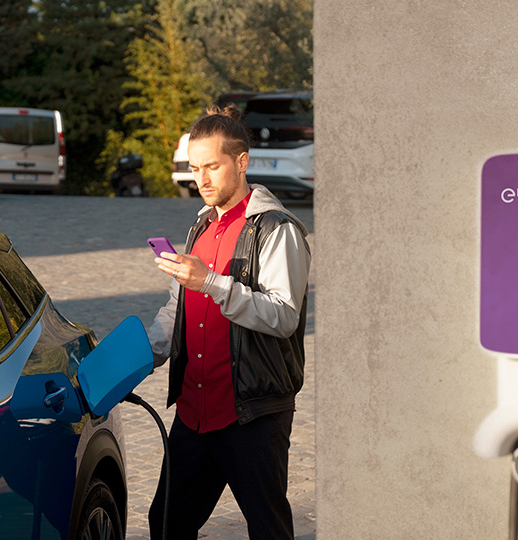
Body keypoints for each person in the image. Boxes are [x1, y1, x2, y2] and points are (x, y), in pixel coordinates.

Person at [146, 104, 311, 540]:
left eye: (212, 166)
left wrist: (213, 283)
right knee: (165, 524)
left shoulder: (277, 230)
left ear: (241, 162)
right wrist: (144, 353)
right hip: (194, 412)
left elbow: (284, 317)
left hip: (252, 414)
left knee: (269, 531)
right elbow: (177, 308)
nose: (201, 179)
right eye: (194, 167)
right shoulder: (200, 226)